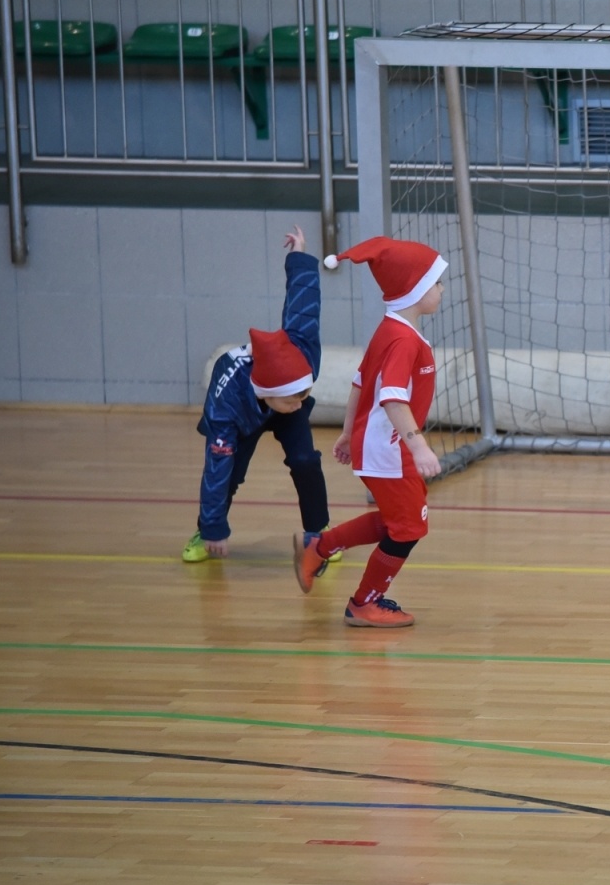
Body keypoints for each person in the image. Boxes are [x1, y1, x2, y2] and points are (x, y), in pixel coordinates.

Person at [294, 236, 446, 628]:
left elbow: (360, 384)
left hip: (380, 447)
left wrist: (348, 433)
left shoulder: (392, 330)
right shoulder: (401, 340)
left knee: (401, 521)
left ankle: (320, 546)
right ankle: (363, 603)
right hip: (390, 451)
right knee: (410, 527)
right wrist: (419, 447)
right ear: (414, 289)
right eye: (436, 281)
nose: (442, 288)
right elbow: (392, 399)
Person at [183, 226, 337, 567]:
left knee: (305, 461)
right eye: (292, 400)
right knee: (230, 471)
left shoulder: (302, 353)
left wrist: (298, 255)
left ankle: (319, 532)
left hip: (267, 400)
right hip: (242, 414)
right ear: (269, 394)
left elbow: (304, 303)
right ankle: (205, 530)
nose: (300, 404)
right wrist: (213, 528)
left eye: (305, 395)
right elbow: (215, 468)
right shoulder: (226, 407)